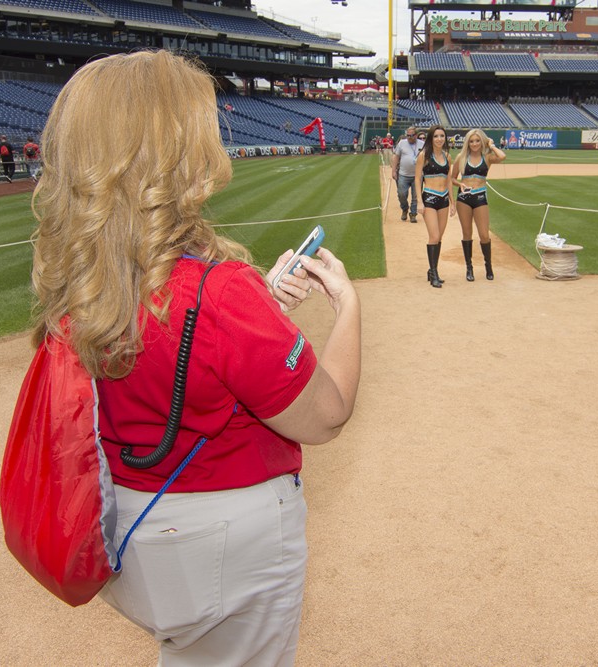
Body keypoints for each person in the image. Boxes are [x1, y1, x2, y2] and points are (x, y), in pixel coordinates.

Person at [29, 50, 361, 663]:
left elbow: (167, 344)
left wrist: (260, 312)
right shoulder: (220, 292)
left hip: (128, 531)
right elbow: (327, 414)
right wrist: (349, 306)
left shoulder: (78, 279)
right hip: (224, 546)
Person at [450, 129, 506, 281]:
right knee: (467, 234)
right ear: (467, 142)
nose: (474, 144)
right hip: (464, 198)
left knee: (484, 234)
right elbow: (452, 178)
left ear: (482, 142)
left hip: (480, 197)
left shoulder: (487, 157)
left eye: (477, 141)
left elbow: (502, 156)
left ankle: (488, 265)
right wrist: (460, 183)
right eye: (471, 141)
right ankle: (469, 268)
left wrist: (491, 145)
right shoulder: (461, 157)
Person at [414, 125, 455, 288]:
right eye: (436, 136)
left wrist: (453, 202)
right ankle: (434, 273)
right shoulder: (423, 156)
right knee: (434, 236)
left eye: (442, 136)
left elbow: (449, 180)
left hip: (443, 199)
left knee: (440, 237)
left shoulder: (447, 156)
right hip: (429, 198)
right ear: (431, 138)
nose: (439, 139)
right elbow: (417, 179)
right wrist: (419, 201)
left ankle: (432, 270)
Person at [391, 126, 420, 223]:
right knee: (401, 194)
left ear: (416, 135)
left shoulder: (422, 144)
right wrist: (394, 170)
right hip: (403, 174)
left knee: (415, 196)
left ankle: (413, 214)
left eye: (412, 135)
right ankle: (404, 208)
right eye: (408, 135)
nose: (409, 137)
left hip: (417, 175)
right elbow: (396, 157)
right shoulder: (402, 143)